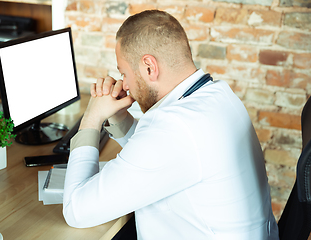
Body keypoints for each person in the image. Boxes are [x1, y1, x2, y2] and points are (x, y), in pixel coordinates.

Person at [63, 10, 279, 239]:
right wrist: (118, 117)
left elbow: (76, 210)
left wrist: (91, 118)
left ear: (149, 67)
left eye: (124, 73)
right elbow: (159, 153)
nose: (124, 84)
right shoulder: (217, 94)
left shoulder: (175, 126)